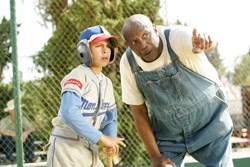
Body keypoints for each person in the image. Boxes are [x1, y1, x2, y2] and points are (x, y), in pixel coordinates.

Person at [120, 14, 234, 167]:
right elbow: (139, 112)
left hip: (211, 122)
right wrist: (155, 156)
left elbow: (205, 41)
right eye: (135, 42)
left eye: (145, 35)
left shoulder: (176, 37)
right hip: (169, 134)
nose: (142, 44)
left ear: (155, 29)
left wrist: (208, 41)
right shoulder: (129, 63)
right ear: (129, 45)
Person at [45, 25, 126, 167]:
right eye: (98, 45)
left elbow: (110, 119)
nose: (105, 50)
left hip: (89, 147)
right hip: (66, 147)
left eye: (108, 46)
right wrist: (101, 138)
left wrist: (110, 140)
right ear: (84, 50)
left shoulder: (107, 83)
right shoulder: (78, 75)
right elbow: (69, 113)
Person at [0, 99, 41, 164]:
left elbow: (32, 128)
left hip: (22, 143)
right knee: (5, 138)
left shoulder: (22, 118)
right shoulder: (4, 120)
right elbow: (1, 130)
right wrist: (17, 134)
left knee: (30, 135)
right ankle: (9, 160)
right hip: (9, 146)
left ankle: (30, 158)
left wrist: (26, 132)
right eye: (15, 109)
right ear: (10, 111)